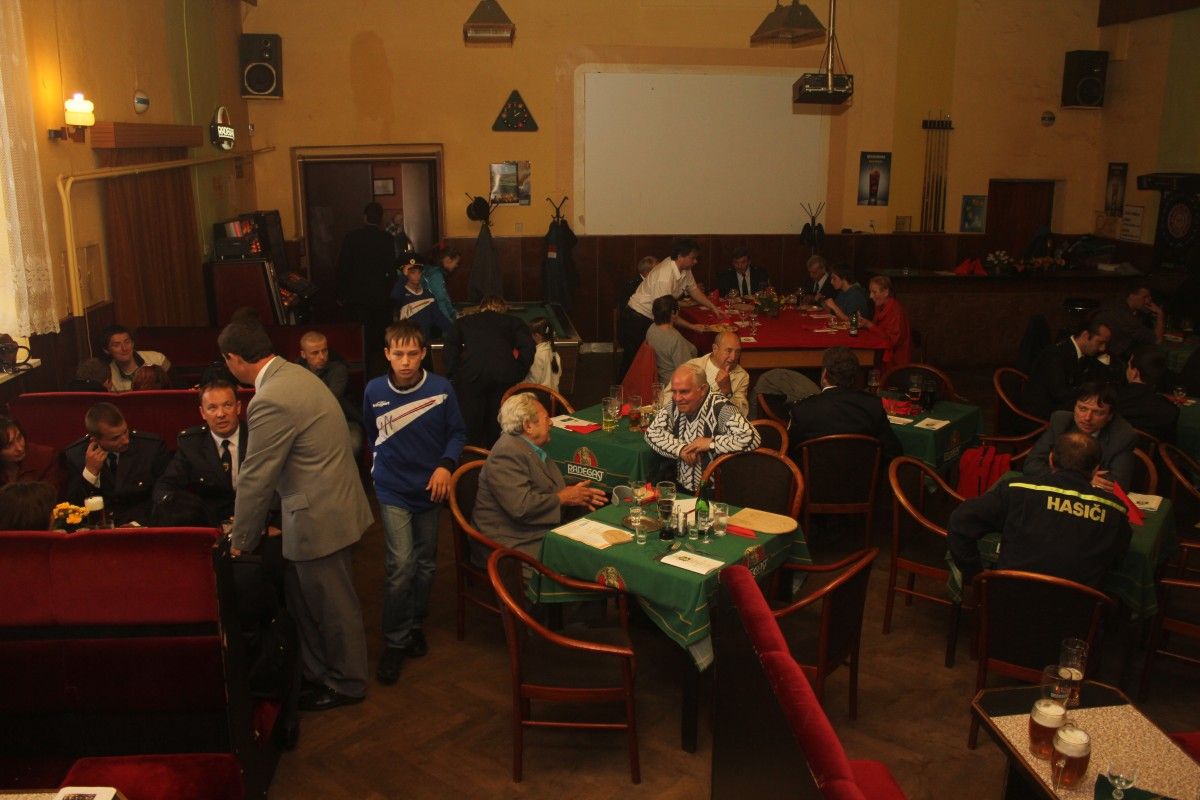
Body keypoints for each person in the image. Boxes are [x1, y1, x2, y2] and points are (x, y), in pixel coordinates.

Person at [220, 321, 374, 713]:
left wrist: (240, 542)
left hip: (319, 514)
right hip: (329, 504)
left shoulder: (271, 398)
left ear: (234, 359)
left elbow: (256, 476)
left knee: (332, 607)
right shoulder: (293, 374)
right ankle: (319, 673)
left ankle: (348, 683)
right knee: (309, 601)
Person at [362, 321, 466, 685]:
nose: (405, 361)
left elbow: (457, 433)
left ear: (423, 354)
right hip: (392, 489)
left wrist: (446, 465)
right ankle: (394, 641)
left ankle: (414, 624)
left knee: (425, 564)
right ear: (387, 354)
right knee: (401, 565)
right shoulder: (374, 390)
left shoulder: (441, 389)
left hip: (430, 489)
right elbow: (372, 433)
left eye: (411, 354)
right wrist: (380, 464)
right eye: (398, 354)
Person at [948, 431, 1131, 589]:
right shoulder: (1115, 510)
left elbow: (960, 521)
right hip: (1078, 612)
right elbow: (1117, 560)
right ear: (1095, 469)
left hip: (1006, 603)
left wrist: (976, 577)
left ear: (1051, 459)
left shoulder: (1016, 490)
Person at [472, 392, 607, 559]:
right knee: (583, 558)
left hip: (531, 531)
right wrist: (563, 498)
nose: (551, 422)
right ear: (528, 425)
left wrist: (578, 493)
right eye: (546, 418)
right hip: (510, 543)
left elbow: (544, 484)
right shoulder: (507, 452)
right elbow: (521, 508)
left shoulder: (530, 447)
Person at [644, 362, 760, 492]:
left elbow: (752, 438)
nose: (677, 398)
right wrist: (680, 449)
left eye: (684, 391)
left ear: (703, 389)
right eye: (674, 391)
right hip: (682, 487)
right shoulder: (675, 405)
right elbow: (652, 432)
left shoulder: (721, 407)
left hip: (717, 492)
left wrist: (710, 443)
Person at [618, 237, 720, 378]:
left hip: (652, 317)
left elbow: (693, 289)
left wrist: (712, 307)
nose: (695, 261)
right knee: (634, 363)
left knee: (642, 364)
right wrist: (692, 327)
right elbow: (665, 314)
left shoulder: (685, 268)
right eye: (693, 258)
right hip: (637, 319)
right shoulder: (664, 276)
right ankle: (621, 390)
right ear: (680, 256)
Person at [443, 296, 536, 447]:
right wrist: (518, 371)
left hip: (471, 377)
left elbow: (450, 347)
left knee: (471, 426)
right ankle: (499, 454)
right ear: (503, 309)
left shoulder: (464, 321)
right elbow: (528, 347)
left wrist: (456, 374)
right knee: (500, 424)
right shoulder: (514, 322)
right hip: (504, 376)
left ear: (481, 308)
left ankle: (472, 457)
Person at [153, 380, 248, 526]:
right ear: (203, 413)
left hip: (256, 519)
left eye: (227, 405)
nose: (221, 414)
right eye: (212, 408)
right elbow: (165, 486)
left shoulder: (257, 436)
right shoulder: (191, 443)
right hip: (209, 522)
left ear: (239, 407)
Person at [786, 346, 903, 464]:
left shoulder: (803, 410)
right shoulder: (873, 406)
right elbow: (894, 452)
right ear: (854, 377)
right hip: (863, 475)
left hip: (813, 475)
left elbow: (788, 454)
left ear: (824, 374)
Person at [62, 402, 170, 525]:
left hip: (141, 524)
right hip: (96, 528)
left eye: (125, 431)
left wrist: (136, 523)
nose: (125, 440)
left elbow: (163, 495)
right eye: (115, 438)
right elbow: (72, 508)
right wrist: (90, 473)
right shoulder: (75, 455)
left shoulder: (150, 448)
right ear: (95, 439)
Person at [1023, 382, 1137, 492]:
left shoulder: (1123, 435)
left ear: (1110, 416)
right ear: (1074, 407)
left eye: (1097, 413)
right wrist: (1082, 479)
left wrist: (1064, 476)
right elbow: (1031, 464)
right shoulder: (1061, 421)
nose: (1087, 418)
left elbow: (1119, 484)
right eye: (1082, 409)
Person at [336, 202, 396, 376]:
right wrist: (390, 294)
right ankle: (382, 371)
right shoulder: (387, 239)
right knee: (380, 338)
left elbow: (343, 268)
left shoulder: (351, 238)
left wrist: (341, 293)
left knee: (359, 337)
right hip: (380, 297)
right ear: (381, 219)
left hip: (357, 297)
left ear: (364, 217)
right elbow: (391, 270)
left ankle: (361, 370)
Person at [1021, 320, 1113, 420]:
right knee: (1099, 416)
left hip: (1063, 404)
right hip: (1045, 411)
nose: (1103, 348)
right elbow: (1060, 394)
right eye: (1100, 342)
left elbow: (1095, 384)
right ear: (1085, 335)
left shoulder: (1086, 355)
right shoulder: (1055, 355)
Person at [296, 330, 364, 455]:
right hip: (309, 423)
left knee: (353, 445)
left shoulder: (338, 369)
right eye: (315, 353)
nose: (322, 356)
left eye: (324, 351)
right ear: (303, 354)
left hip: (345, 420)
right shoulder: (297, 371)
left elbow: (330, 400)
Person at [1115, 345, 1179, 443]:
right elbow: (1168, 446)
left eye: (1128, 366)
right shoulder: (1170, 410)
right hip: (1149, 452)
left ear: (1135, 372)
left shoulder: (1112, 399)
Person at [679, 330, 750, 416]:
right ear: (715, 349)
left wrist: (727, 392)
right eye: (728, 351)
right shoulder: (692, 366)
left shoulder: (742, 376)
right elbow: (668, 398)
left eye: (737, 351)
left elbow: (742, 414)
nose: (733, 357)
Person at [390, 255, 453, 343]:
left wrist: (454, 331)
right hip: (406, 343)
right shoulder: (401, 294)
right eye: (412, 272)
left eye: (419, 272)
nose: (417, 276)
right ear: (405, 273)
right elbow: (394, 298)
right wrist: (403, 277)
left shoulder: (428, 295)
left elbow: (439, 318)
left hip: (424, 342)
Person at [1094, 285, 1164, 361]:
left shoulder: (1121, 306)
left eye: (1149, 297)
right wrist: (1160, 314)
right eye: (1145, 297)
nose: (1148, 301)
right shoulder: (1124, 315)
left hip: (1109, 354)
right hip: (1108, 358)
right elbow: (1157, 340)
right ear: (1132, 296)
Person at [99, 325, 172, 393]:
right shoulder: (107, 375)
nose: (124, 348)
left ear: (133, 343)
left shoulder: (157, 359)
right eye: (116, 345)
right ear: (106, 350)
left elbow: (174, 388)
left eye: (127, 342)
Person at [859, 275, 911, 367]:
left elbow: (892, 341)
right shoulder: (880, 306)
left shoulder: (895, 310)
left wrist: (869, 325)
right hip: (880, 353)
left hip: (896, 361)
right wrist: (864, 324)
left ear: (886, 292)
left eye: (874, 292)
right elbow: (876, 329)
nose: (870, 296)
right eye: (870, 292)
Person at [646, 295, 698, 386]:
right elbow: (686, 370)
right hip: (674, 384)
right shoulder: (674, 338)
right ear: (673, 313)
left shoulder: (652, 328)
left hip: (657, 379)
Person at [0, 416, 62, 492]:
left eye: (19, 437)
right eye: (9, 445)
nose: (20, 448)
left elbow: (49, 496)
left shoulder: (46, 457)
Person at [422, 244, 462, 323]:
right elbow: (440, 302)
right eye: (456, 262)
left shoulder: (435, 271)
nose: (456, 265)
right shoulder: (435, 275)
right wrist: (450, 323)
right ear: (448, 260)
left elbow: (445, 297)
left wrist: (454, 313)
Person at [524, 317, 562, 391]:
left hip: (539, 395)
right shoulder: (554, 353)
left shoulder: (537, 355)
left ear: (536, 336)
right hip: (553, 394)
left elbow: (533, 382)